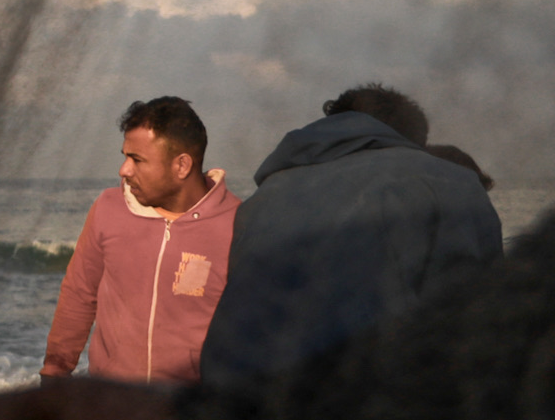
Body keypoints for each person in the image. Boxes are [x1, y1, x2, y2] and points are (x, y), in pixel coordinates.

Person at [196, 84, 500, 389]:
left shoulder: (264, 199)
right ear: (413, 141)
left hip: (250, 399)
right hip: (372, 403)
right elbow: (476, 312)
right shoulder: (447, 182)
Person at [40, 97, 237, 384]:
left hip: (190, 415)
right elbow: (79, 295)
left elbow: (254, 330)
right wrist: (54, 374)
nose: (124, 169)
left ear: (181, 166)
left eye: (137, 159)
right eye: (125, 156)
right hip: (112, 404)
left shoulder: (235, 224)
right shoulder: (109, 208)